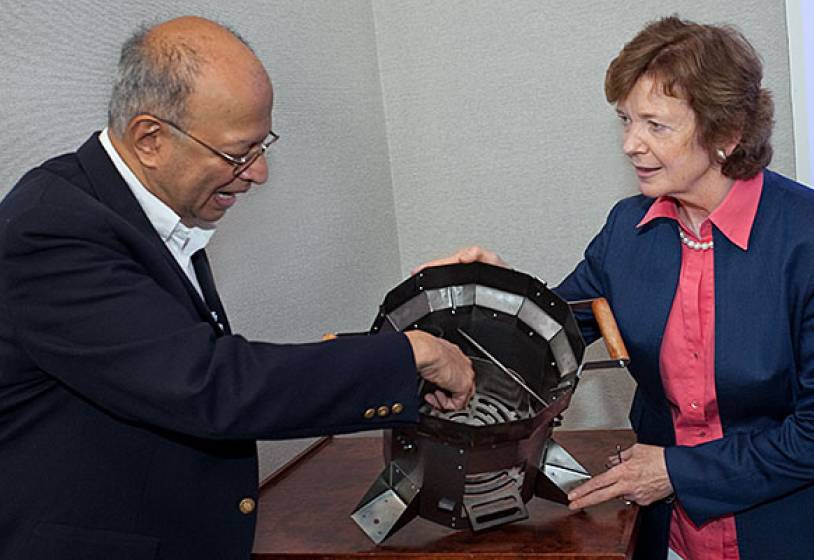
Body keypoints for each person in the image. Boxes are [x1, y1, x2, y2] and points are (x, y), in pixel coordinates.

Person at [0, 16, 474, 560]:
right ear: (150, 138)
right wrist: (410, 353)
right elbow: (211, 384)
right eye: (237, 154)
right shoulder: (53, 229)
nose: (258, 173)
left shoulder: (143, 212)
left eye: (261, 144)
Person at [417, 16, 814, 560]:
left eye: (656, 125)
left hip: (799, 532)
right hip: (670, 533)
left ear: (727, 134)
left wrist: (675, 470)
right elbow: (548, 331)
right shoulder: (626, 232)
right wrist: (485, 292)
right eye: (625, 120)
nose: (631, 144)